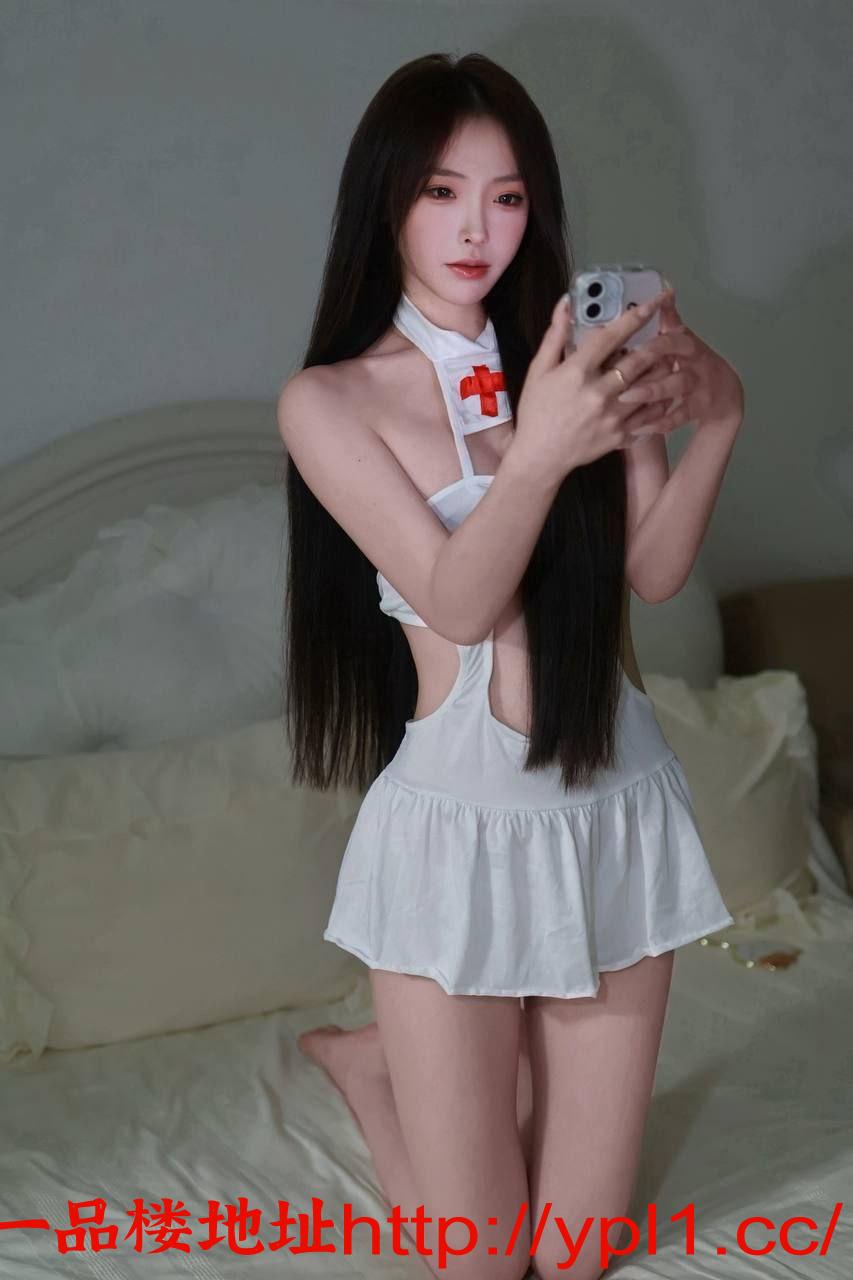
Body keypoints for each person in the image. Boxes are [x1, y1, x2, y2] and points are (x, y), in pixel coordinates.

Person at [278, 52, 742, 1280]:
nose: (476, 229)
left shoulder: (571, 358)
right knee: (482, 1265)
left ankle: (435, 1068)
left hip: (613, 812)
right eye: (441, 192)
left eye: (508, 196)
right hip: (456, 839)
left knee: (576, 1256)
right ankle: (370, 1064)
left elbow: (652, 570)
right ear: (385, 201)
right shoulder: (331, 401)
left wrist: (720, 416)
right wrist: (541, 448)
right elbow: (458, 599)